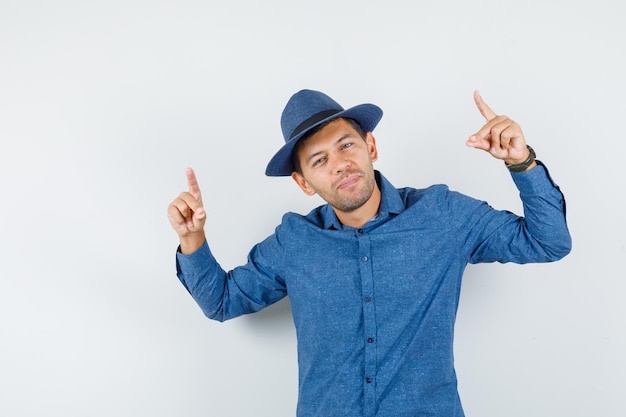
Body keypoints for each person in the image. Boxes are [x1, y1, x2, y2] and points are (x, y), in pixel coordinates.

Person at [167, 89, 571, 417]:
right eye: (320, 160)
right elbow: (221, 301)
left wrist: (522, 162)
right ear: (303, 182)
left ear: (370, 146)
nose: (340, 165)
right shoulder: (294, 242)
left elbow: (548, 240)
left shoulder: (442, 215)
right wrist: (192, 239)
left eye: (346, 146)